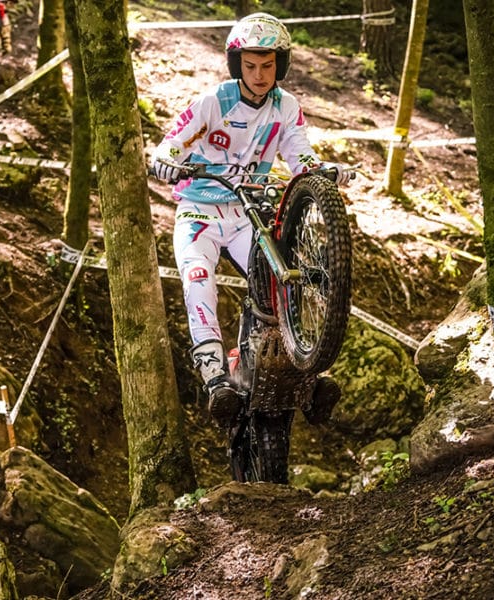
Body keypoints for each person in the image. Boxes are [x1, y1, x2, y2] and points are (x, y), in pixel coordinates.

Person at [149, 13, 352, 427]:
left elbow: (300, 156)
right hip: (198, 211)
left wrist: (322, 170)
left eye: (268, 65)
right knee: (197, 279)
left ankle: (308, 375)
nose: (259, 75)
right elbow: (170, 144)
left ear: (281, 64)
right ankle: (214, 377)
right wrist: (165, 161)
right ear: (236, 64)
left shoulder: (286, 107)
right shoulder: (213, 101)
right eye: (250, 65)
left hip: (246, 213)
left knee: (283, 278)